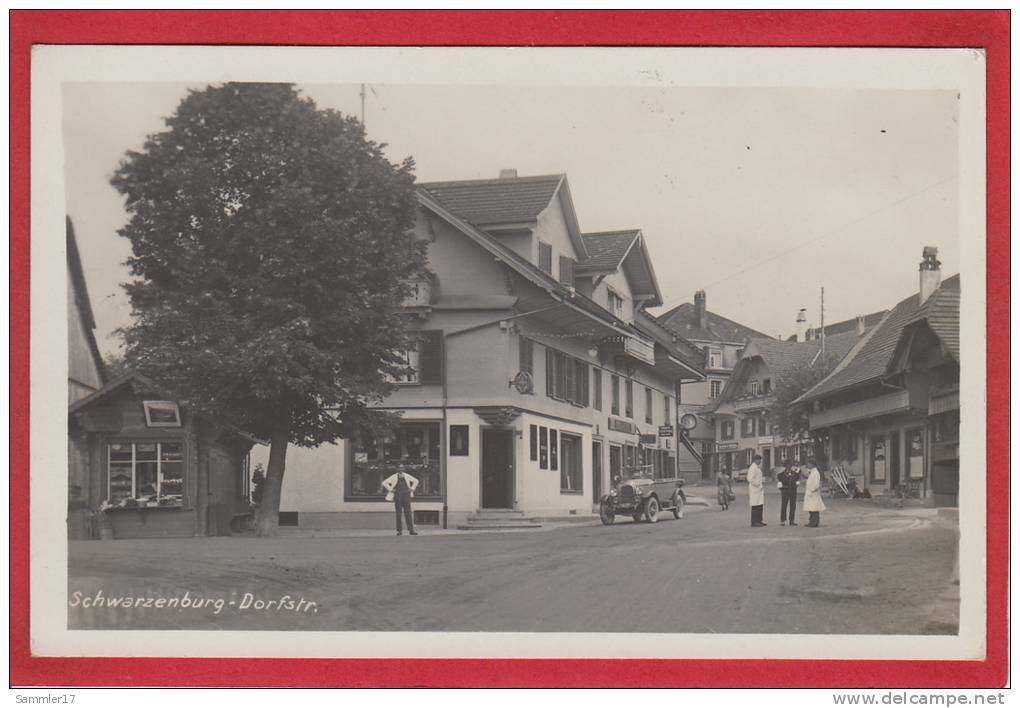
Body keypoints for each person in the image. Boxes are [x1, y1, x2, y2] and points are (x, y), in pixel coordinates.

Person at [382, 469, 419, 536]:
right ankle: (399, 531)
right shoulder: (394, 476)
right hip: (398, 496)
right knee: (398, 513)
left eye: (402, 468)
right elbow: (384, 482)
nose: (401, 469)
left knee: (408, 512)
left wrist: (412, 488)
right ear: (397, 469)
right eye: (399, 468)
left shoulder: (407, 476)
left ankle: (411, 530)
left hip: (406, 495)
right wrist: (391, 489)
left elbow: (416, 481)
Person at [802, 458, 826, 527]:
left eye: (809, 464)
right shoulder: (812, 472)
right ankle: (811, 521)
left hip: (813, 493)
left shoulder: (816, 473)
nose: (808, 465)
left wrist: (812, 490)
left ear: (812, 464)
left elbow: (816, 484)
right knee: (811, 508)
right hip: (810, 493)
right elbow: (810, 480)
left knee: (814, 508)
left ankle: (814, 522)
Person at [777, 462, 800, 526]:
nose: (788, 467)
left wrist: (794, 487)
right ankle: (782, 520)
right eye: (787, 466)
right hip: (785, 491)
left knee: (793, 506)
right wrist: (783, 490)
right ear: (785, 467)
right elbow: (779, 485)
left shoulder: (795, 474)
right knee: (784, 505)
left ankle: (791, 520)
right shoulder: (781, 475)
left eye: (789, 466)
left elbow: (797, 483)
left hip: (793, 491)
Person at [747, 454, 766, 527]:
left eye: (760, 459)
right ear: (755, 460)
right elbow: (750, 478)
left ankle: (759, 520)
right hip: (754, 489)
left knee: (760, 504)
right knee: (755, 504)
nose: (760, 461)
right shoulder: (753, 468)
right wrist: (757, 484)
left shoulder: (757, 467)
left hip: (759, 489)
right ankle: (754, 521)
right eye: (759, 459)